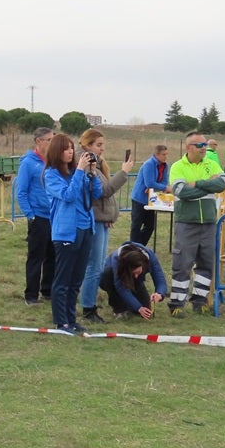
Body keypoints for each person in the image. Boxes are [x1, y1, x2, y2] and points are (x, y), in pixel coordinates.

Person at [44, 133, 102, 335]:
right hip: (66, 233)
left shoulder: (75, 172)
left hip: (86, 229)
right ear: (57, 152)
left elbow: (96, 194)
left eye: (71, 148)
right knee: (63, 280)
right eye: (66, 149)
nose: (71, 152)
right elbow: (68, 196)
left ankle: (71, 319)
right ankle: (61, 322)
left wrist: (92, 173)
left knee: (76, 279)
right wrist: (79, 171)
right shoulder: (51, 175)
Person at [168, 132, 225, 317]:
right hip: (187, 222)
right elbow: (181, 191)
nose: (204, 148)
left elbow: (223, 183)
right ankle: (177, 303)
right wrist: (207, 185)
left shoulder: (211, 163)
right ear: (188, 147)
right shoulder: (178, 166)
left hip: (208, 222)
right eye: (200, 145)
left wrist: (198, 184)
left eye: (205, 144)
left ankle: (199, 301)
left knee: (206, 263)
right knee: (183, 263)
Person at [78, 128, 134, 323]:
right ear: (87, 144)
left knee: (97, 264)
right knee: (94, 266)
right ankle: (88, 307)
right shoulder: (86, 164)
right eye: (98, 145)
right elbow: (104, 191)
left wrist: (108, 214)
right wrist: (124, 172)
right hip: (93, 221)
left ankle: (89, 302)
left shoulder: (97, 164)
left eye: (103, 144)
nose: (103, 149)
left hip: (101, 219)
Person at [17, 127, 56, 306]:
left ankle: (47, 290)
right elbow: (21, 192)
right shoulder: (28, 163)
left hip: (54, 216)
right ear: (38, 141)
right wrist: (30, 215)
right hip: (38, 216)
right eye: (48, 140)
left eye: (52, 139)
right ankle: (31, 295)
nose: (51, 143)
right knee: (36, 256)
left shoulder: (53, 161)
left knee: (52, 255)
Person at [100, 242, 168, 320]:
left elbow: (160, 280)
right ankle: (119, 309)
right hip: (110, 279)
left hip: (136, 282)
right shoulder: (117, 259)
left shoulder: (150, 256)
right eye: (133, 273)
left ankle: (129, 304)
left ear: (142, 264)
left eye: (137, 273)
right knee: (107, 274)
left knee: (145, 309)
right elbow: (121, 288)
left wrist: (159, 293)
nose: (135, 276)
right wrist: (138, 307)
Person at [129, 145, 169, 246]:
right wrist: (163, 188)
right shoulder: (149, 164)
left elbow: (164, 181)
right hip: (139, 198)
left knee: (150, 226)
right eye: (163, 154)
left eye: (166, 154)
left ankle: (140, 246)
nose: (166, 157)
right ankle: (133, 248)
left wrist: (156, 187)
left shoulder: (165, 166)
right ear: (156, 155)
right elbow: (149, 183)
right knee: (136, 225)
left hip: (151, 199)